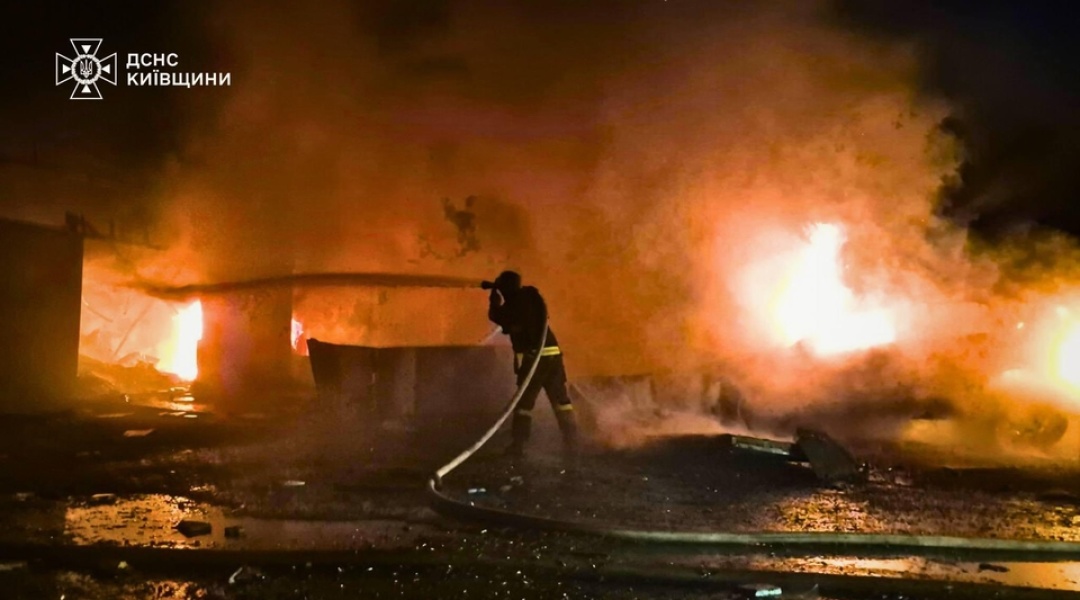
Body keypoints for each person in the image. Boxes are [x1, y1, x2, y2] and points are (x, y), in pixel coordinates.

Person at [485, 270, 578, 456]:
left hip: (535, 359)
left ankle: (518, 445)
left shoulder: (516, 303)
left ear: (507, 289)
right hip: (553, 357)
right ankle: (572, 441)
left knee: (524, 404)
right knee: (561, 401)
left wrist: (494, 302)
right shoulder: (531, 298)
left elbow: (499, 318)